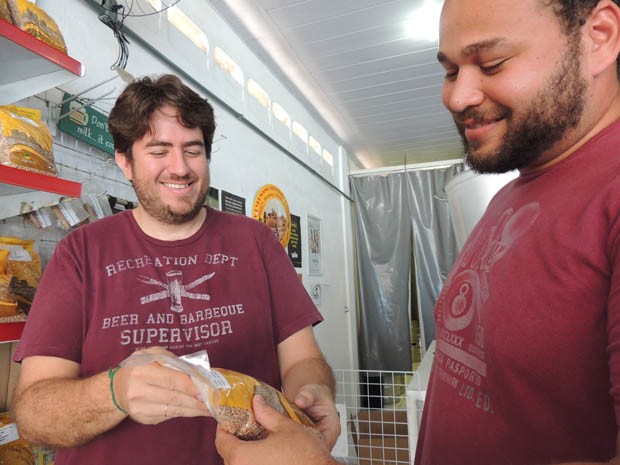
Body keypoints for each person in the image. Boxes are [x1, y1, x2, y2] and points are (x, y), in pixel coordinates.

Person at [215, 0, 620, 464]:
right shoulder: (514, 195)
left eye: (492, 63)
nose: (456, 97)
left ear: (600, 36)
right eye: (450, 71)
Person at [10, 74, 340, 465]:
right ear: (125, 162)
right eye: (159, 150)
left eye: (193, 150)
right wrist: (115, 392)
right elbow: (32, 415)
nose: (180, 167)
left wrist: (312, 391)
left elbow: (303, 359)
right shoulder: (79, 253)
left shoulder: (258, 242)